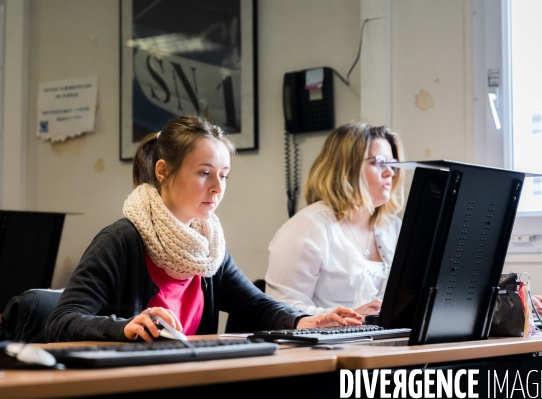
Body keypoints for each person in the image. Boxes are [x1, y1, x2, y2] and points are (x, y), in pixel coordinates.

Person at [45, 116, 362, 343]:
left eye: (223, 175)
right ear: (163, 171)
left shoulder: (208, 249)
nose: (216, 188)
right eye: (204, 173)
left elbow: (255, 306)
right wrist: (125, 327)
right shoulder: (121, 241)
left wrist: (304, 321)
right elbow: (62, 321)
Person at [265, 122, 405, 317]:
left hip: (384, 345)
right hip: (323, 346)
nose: (389, 172)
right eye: (378, 162)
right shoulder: (308, 226)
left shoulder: (394, 228)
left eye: (392, 164)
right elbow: (281, 307)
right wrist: (345, 315)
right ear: (346, 167)